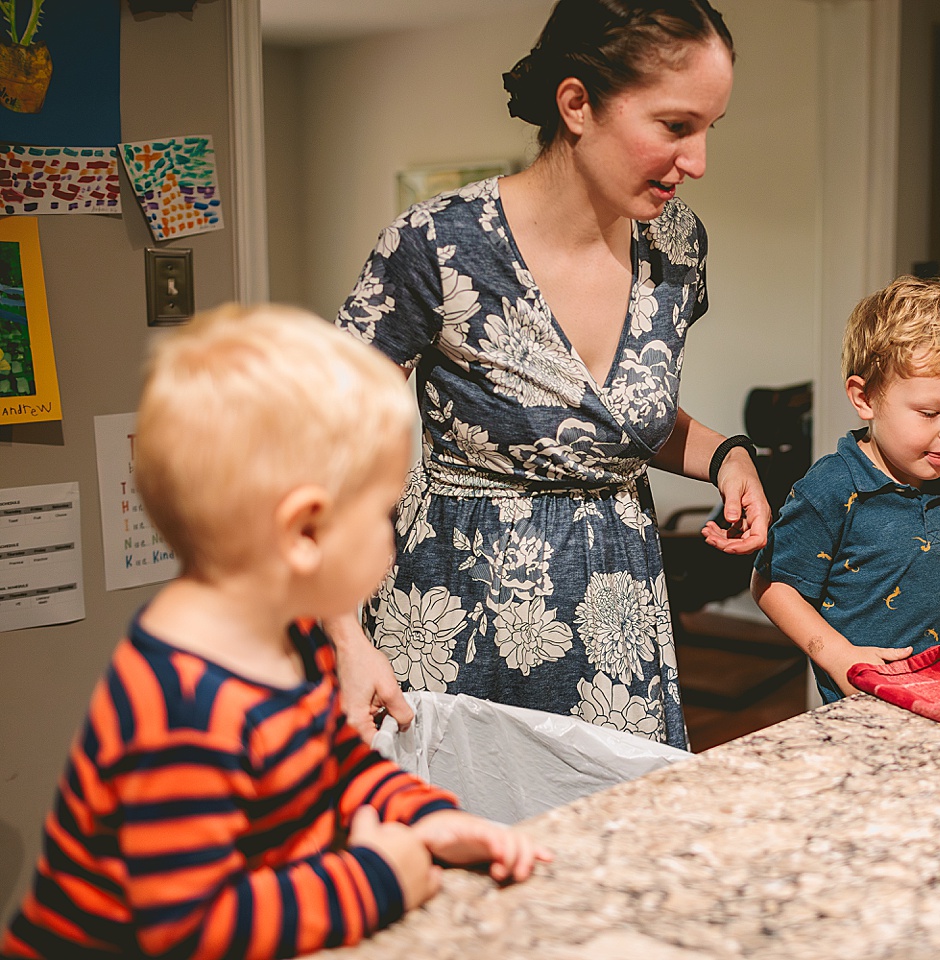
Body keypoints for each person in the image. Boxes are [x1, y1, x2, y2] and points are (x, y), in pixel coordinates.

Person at [1, 307, 548, 960]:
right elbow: (195, 929)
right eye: (384, 512)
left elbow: (338, 765)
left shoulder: (292, 640)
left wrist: (429, 818)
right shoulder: (180, 705)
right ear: (305, 533)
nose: (394, 535)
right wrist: (381, 878)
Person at [331, 0, 766, 752]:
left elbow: (606, 419)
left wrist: (727, 454)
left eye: (708, 130)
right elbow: (325, 448)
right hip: (453, 614)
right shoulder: (437, 245)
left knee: (615, 851)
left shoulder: (678, 247)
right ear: (577, 104)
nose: (697, 162)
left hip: (616, 621)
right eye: (675, 127)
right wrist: (341, 634)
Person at [750, 277, 940, 703]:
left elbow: (912, 553)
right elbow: (771, 584)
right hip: (869, 699)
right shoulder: (830, 487)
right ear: (865, 398)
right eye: (930, 412)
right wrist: (837, 656)